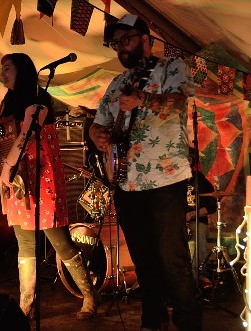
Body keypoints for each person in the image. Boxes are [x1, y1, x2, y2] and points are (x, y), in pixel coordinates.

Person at [89, 14, 202, 330]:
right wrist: (95, 133)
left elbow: (179, 103)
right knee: (144, 263)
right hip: (126, 183)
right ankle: (152, 322)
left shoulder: (172, 67)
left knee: (173, 261)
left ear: (144, 38)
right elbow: (100, 122)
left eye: (125, 39)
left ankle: (189, 323)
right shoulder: (115, 83)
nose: (120, 48)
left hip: (166, 180)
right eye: (115, 43)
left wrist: (144, 99)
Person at [0, 53, 98, 320]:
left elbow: (25, 136)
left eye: (7, 69)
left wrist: (7, 169)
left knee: (60, 241)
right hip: (17, 179)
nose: (2, 74)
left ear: (21, 71)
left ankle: (89, 295)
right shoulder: (7, 102)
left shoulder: (38, 100)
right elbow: (2, 135)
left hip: (41, 177)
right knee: (24, 244)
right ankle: (26, 303)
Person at [186, 147, 217, 290]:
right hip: (176, 222)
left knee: (199, 233)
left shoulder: (200, 180)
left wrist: (192, 214)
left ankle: (200, 275)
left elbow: (211, 207)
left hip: (196, 221)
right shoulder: (172, 182)